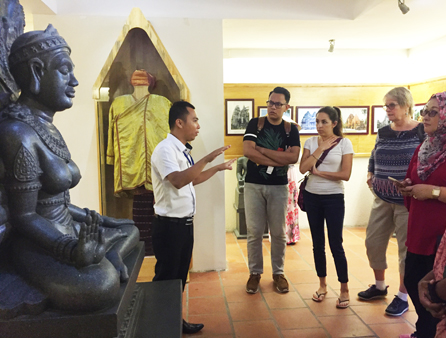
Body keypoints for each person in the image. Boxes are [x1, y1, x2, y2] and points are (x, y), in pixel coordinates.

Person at [0, 25, 140, 313]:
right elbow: (24, 216)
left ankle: (105, 256)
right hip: (36, 241)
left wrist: (100, 220)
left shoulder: (45, 126)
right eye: (65, 70)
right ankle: (102, 261)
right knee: (98, 287)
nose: (75, 81)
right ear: (37, 72)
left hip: (69, 226)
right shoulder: (17, 133)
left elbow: (59, 200)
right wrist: (69, 250)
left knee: (129, 228)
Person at [151, 100, 235, 334]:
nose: (198, 125)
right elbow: (178, 180)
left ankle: (174, 321)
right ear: (179, 122)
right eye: (194, 120)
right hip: (169, 226)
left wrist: (218, 168)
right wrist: (207, 158)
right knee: (166, 279)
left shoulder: (181, 150)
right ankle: (159, 326)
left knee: (178, 279)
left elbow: (193, 179)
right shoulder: (165, 150)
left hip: (184, 224)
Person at [358, 87, 424, 316]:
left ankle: (403, 296)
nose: (388, 109)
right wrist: (370, 174)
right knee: (373, 242)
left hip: (408, 201)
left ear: (406, 105)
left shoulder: (421, 131)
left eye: (392, 105)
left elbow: (425, 161)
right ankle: (379, 286)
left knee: (406, 250)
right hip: (382, 197)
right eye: (386, 105)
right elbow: (374, 154)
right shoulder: (384, 131)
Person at [397, 92, 446, 338]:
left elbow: (432, 188)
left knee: (436, 291)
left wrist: (433, 192)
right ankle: (424, 330)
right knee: (413, 279)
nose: (425, 117)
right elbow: (414, 179)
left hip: (443, 236)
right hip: (419, 229)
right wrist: (406, 186)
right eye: (424, 111)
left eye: (433, 112)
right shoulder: (424, 147)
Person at [243, 86, 300, 294]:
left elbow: (293, 158)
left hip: (278, 187)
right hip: (253, 185)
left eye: (278, 104)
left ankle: (278, 273)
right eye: (270, 102)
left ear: (286, 106)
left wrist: (262, 150)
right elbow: (248, 151)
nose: (272, 107)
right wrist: (278, 157)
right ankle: (255, 273)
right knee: (254, 232)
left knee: (278, 233)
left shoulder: (290, 129)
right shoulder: (255, 123)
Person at [299, 106, 353, 309]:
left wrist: (321, 174)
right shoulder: (310, 142)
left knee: (336, 244)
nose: (319, 126)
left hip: (334, 198)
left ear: (334, 123)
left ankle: (344, 288)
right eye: (317, 122)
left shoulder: (345, 143)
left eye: (324, 122)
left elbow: (345, 174)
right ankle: (322, 285)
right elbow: (303, 168)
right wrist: (319, 150)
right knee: (317, 243)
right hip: (312, 197)